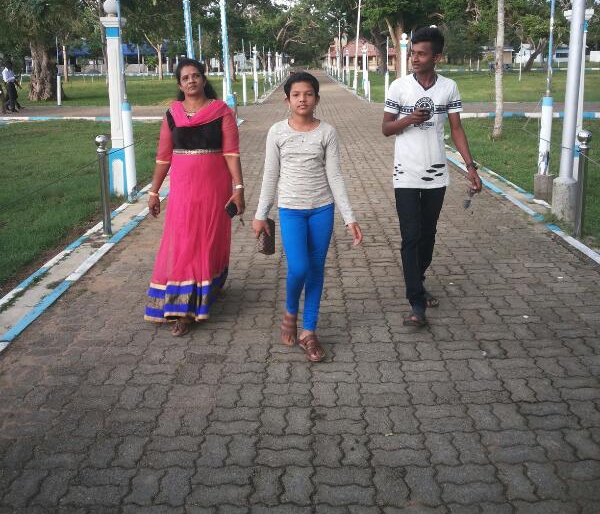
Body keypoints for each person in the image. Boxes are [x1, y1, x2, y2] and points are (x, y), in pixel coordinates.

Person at [252, 71, 362, 362]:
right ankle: (291, 311)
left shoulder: (327, 132)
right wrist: (261, 214)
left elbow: (335, 176)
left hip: (322, 209)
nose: (302, 99)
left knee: (316, 270)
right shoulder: (277, 132)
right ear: (287, 100)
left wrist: (349, 217)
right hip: (291, 211)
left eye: (308, 94)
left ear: (317, 99)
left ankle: (309, 332)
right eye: (296, 95)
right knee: (299, 268)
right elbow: (270, 175)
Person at [382, 26, 482, 327]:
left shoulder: (448, 88)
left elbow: (456, 129)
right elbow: (386, 128)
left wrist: (470, 167)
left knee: (428, 235)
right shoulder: (399, 87)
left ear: (436, 57)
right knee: (411, 236)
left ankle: (418, 280)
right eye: (413, 53)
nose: (414, 58)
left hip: (436, 173)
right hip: (405, 174)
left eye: (422, 54)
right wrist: (409, 119)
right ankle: (416, 302)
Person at [145, 58, 245, 336]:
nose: (191, 81)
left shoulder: (221, 111)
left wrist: (239, 189)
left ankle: (210, 286)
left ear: (204, 79)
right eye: (185, 77)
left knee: (209, 239)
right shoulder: (172, 114)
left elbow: (231, 153)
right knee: (185, 241)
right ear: (180, 84)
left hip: (214, 188)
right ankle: (182, 309)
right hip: (183, 191)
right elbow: (163, 157)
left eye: (195, 76)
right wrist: (154, 192)